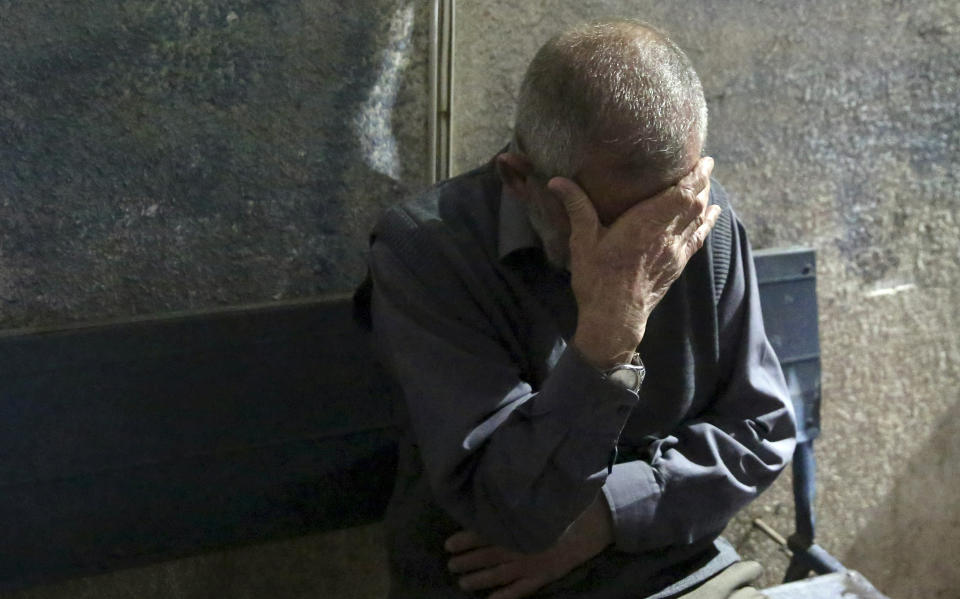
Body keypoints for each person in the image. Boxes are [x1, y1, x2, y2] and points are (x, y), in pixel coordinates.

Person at [362, 18, 796, 599]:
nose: (649, 247)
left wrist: (610, 515)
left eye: (668, 210)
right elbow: (515, 513)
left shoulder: (698, 219)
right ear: (520, 179)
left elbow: (760, 431)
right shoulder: (429, 253)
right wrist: (607, 339)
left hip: (672, 569)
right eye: (616, 225)